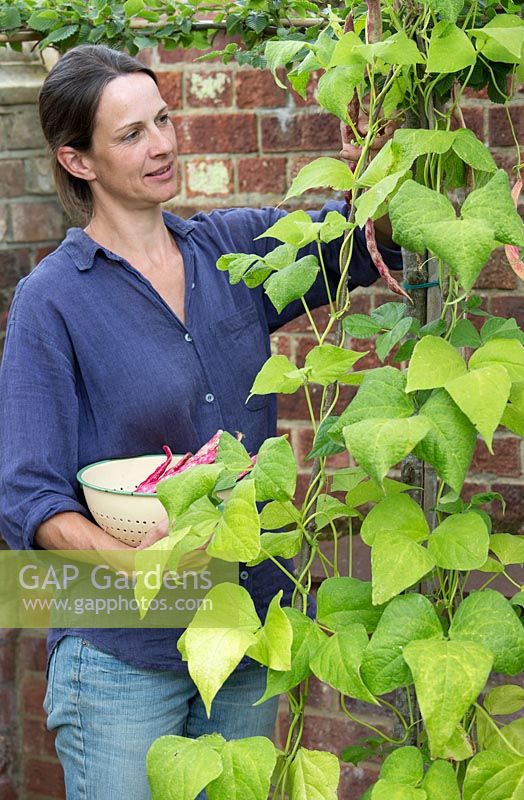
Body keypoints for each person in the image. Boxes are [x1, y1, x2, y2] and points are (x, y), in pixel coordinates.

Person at [0, 44, 402, 800]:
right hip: (121, 653)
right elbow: (29, 497)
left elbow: (367, 240)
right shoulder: (51, 302)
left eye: (164, 119)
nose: (162, 144)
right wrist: (139, 570)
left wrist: (381, 138)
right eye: (131, 134)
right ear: (77, 161)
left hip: (243, 629)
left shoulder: (233, 251)